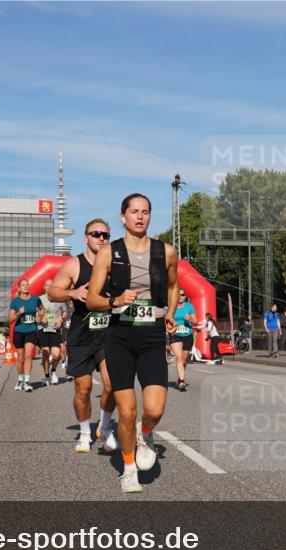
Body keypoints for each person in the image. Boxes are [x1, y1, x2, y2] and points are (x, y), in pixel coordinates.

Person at [86, 194, 178, 493]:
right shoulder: (108, 253)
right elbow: (92, 299)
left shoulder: (166, 252)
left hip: (152, 335)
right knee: (126, 412)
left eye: (145, 212)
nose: (140, 216)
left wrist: (171, 313)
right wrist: (116, 300)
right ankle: (128, 469)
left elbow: (174, 285)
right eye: (134, 211)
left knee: (154, 410)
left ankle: (145, 433)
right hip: (120, 337)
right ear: (122, 217)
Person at [49, 219, 118, 453]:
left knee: (112, 383)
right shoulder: (74, 264)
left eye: (105, 235)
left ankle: (104, 426)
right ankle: (86, 432)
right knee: (83, 388)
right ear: (86, 237)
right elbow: (52, 292)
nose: (101, 238)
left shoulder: (116, 265)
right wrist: (73, 292)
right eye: (96, 234)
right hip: (81, 335)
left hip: (109, 333)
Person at [8, 279, 42, 392]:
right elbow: (10, 320)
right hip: (19, 331)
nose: (25, 287)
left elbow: (42, 309)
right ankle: (19, 380)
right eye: (23, 285)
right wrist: (19, 313)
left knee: (28, 355)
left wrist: (39, 317)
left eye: (27, 285)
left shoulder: (35, 299)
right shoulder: (15, 302)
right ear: (19, 288)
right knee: (20, 357)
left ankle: (27, 382)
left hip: (31, 330)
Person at [37, 279, 68, 385]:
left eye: (52, 285)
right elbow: (35, 314)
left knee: (56, 355)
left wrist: (61, 318)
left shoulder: (59, 299)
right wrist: (40, 319)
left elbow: (65, 311)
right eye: (48, 285)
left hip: (55, 329)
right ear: (44, 287)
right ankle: (47, 377)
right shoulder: (39, 299)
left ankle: (53, 371)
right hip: (43, 329)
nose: (50, 287)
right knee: (45, 354)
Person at [169, 288, 197, 391]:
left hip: (187, 335)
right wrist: (170, 326)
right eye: (178, 294)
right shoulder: (171, 307)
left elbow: (196, 322)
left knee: (184, 359)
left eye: (183, 295)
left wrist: (190, 318)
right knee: (179, 357)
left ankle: (180, 378)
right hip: (175, 334)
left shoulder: (189, 307)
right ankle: (181, 381)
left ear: (185, 296)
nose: (180, 297)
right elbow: (166, 319)